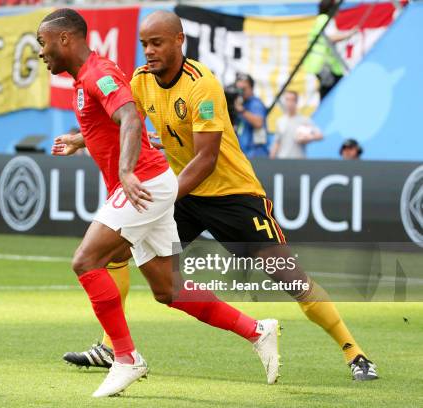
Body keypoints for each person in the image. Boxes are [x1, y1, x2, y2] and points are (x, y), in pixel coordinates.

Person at [60, 10, 378, 382]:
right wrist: (82, 139)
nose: (149, 51)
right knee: (113, 250)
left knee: (290, 278)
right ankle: (111, 347)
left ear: (180, 41)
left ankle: (354, 353)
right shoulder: (142, 80)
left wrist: (164, 197)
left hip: (233, 195)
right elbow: (123, 116)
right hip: (185, 195)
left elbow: (206, 160)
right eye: (144, 44)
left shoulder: (202, 84)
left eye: (157, 43)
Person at [39, 8, 280, 397]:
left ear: (64, 39)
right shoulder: (86, 78)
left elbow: (132, 119)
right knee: (168, 290)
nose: (41, 51)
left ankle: (125, 357)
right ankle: (257, 330)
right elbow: (113, 120)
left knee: (86, 261)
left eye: (43, 42)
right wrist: (79, 140)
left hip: (145, 183)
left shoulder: (98, 72)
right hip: (151, 183)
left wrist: (128, 172)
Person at [304, 0, 356, 100]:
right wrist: (349, 34)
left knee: (329, 92)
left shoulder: (319, 19)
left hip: (320, 63)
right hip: (325, 64)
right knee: (330, 93)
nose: (339, 10)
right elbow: (331, 37)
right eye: (337, 7)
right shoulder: (325, 19)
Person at [270, 90, 323, 159]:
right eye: (287, 100)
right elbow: (277, 142)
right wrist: (271, 158)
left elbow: (320, 135)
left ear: (296, 102)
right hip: (283, 160)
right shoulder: (280, 121)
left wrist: (308, 137)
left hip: (299, 161)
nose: (289, 103)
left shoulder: (304, 120)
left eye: (292, 100)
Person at [234, 73, 269, 158]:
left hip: (256, 154)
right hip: (244, 154)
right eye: (238, 89)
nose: (240, 92)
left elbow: (259, 123)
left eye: (243, 89)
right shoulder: (241, 104)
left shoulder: (255, 103)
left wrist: (241, 110)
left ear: (251, 88)